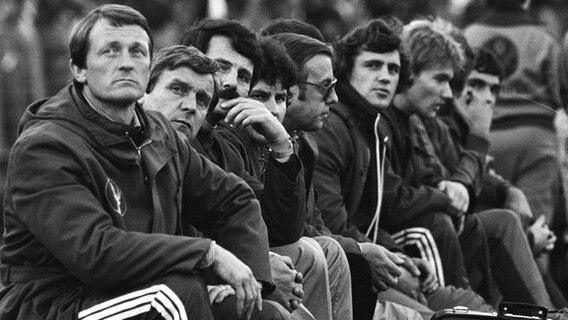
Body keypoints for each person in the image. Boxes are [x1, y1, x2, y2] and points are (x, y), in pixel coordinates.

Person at [0, 4, 291, 320]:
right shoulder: (45, 147)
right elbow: (96, 253)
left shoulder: (157, 132)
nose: (126, 63)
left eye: (137, 52)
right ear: (79, 70)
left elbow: (233, 199)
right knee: (176, 295)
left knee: (261, 313)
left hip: (139, 290)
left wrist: (250, 279)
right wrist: (208, 255)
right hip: (55, 304)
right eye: (110, 51)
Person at [311, 18, 494, 319]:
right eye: (372, 66)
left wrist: (394, 253)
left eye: (393, 69)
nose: (384, 77)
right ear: (347, 70)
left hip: (367, 259)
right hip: (343, 269)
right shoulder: (333, 127)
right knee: (441, 314)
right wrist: (388, 258)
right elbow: (331, 223)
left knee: (461, 306)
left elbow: (377, 210)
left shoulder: (372, 126)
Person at [178, 18, 344, 320]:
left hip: (211, 269)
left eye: (243, 76)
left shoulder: (222, 145)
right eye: (221, 67)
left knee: (315, 253)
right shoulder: (173, 132)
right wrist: (256, 272)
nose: (229, 83)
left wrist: (282, 144)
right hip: (182, 281)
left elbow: (277, 226)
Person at [391, 17, 558, 308]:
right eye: (474, 83)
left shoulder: (429, 121)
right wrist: (479, 135)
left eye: (492, 89)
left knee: (510, 222)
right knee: (501, 225)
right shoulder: (426, 118)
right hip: (418, 242)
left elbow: (454, 183)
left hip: (440, 236)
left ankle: (552, 312)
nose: (481, 97)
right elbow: (457, 193)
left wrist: (508, 191)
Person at [463, 0, 565, 226]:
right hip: (535, 140)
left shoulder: (469, 35)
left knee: (486, 222)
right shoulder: (544, 38)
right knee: (535, 223)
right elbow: (559, 91)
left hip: (482, 137)